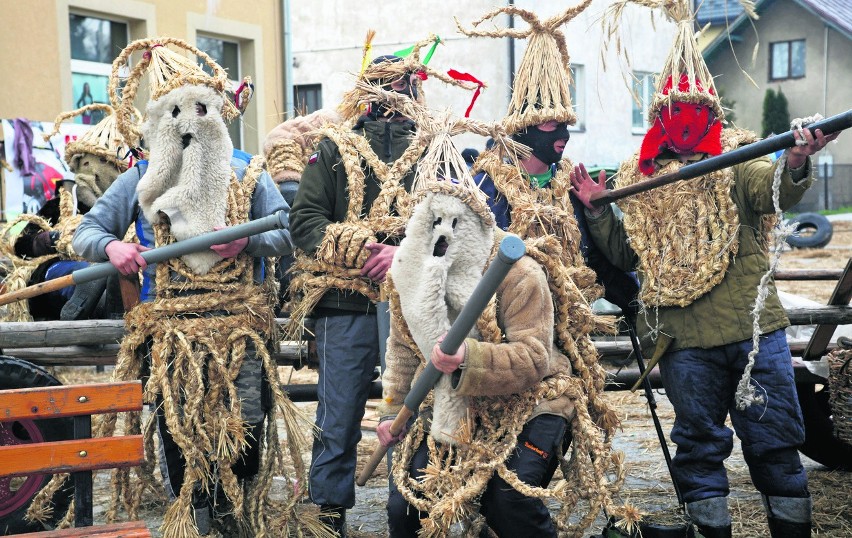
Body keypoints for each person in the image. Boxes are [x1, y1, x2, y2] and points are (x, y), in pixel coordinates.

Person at [570, 3, 840, 536]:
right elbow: (629, 254)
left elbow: (773, 192)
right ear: (659, 115)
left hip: (753, 334)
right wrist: (599, 210)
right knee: (698, 448)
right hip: (684, 340)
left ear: (711, 109)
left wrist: (797, 160)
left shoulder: (740, 159)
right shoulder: (639, 178)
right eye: (674, 108)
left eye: (695, 107)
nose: (685, 118)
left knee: (775, 444)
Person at [71, 38, 307, 537]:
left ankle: (236, 514)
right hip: (171, 329)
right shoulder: (138, 178)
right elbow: (86, 232)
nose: (188, 122)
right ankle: (193, 512)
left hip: (239, 329)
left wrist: (246, 243)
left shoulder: (248, 171)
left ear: (217, 113)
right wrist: (112, 249)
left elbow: (289, 231)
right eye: (176, 112)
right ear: (159, 120)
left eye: (201, 109)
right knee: (178, 427)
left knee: (243, 425)